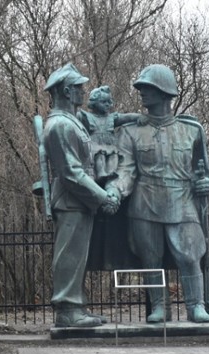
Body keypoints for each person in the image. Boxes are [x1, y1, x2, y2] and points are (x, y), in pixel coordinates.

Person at [106, 64, 209, 323]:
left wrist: (205, 184)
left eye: (148, 88)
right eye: (141, 88)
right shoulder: (130, 132)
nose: (142, 93)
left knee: (189, 255)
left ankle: (196, 306)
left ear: (165, 93)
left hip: (183, 200)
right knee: (151, 258)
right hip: (145, 203)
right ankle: (159, 307)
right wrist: (114, 190)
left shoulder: (192, 130)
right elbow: (126, 171)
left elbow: (203, 171)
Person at [42, 63, 120, 328]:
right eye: (78, 87)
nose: (83, 91)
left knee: (76, 257)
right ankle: (67, 311)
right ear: (66, 91)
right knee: (69, 256)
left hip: (79, 202)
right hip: (71, 200)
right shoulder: (60, 125)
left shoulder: (70, 121)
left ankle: (75, 308)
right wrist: (101, 196)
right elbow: (72, 173)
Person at [77, 86, 142, 184]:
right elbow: (73, 118)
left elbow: (126, 117)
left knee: (114, 155)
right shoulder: (87, 117)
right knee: (99, 156)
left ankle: (112, 173)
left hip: (110, 145)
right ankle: (101, 173)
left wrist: (140, 117)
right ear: (94, 103)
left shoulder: (112, 118)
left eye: (109, 102)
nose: (107, 104)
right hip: (95, 145)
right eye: (103, 102)